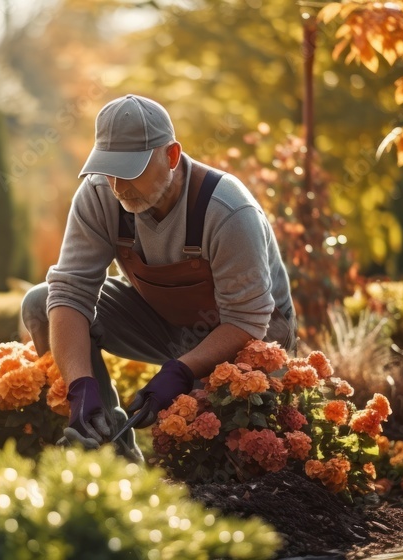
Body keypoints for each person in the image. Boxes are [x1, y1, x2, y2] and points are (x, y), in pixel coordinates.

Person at [21, 94, 296, 459]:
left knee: (225, 466)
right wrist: (80, 387)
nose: (118, 186)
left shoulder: (228, 210)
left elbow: (247, 319)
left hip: (248, 342)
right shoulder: (101, 196)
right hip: (163, 326)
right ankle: (109, 455)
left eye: (131, 170)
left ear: (171, 156)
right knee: (42, 303)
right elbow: (70, 291)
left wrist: (182, 372)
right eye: (109, 168)